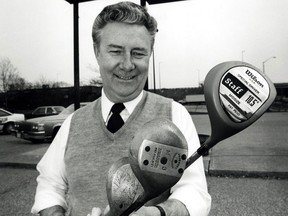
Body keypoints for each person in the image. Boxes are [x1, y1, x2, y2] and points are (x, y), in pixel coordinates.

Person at [31, 1, 211, 216]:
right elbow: (50, 185)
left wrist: (157, 214)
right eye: (116, 51)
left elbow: (194, 191)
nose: (127, 65)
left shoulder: (175, 115)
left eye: (138, 53)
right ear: (97, 52)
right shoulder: (73, 122)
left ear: (150, 54)